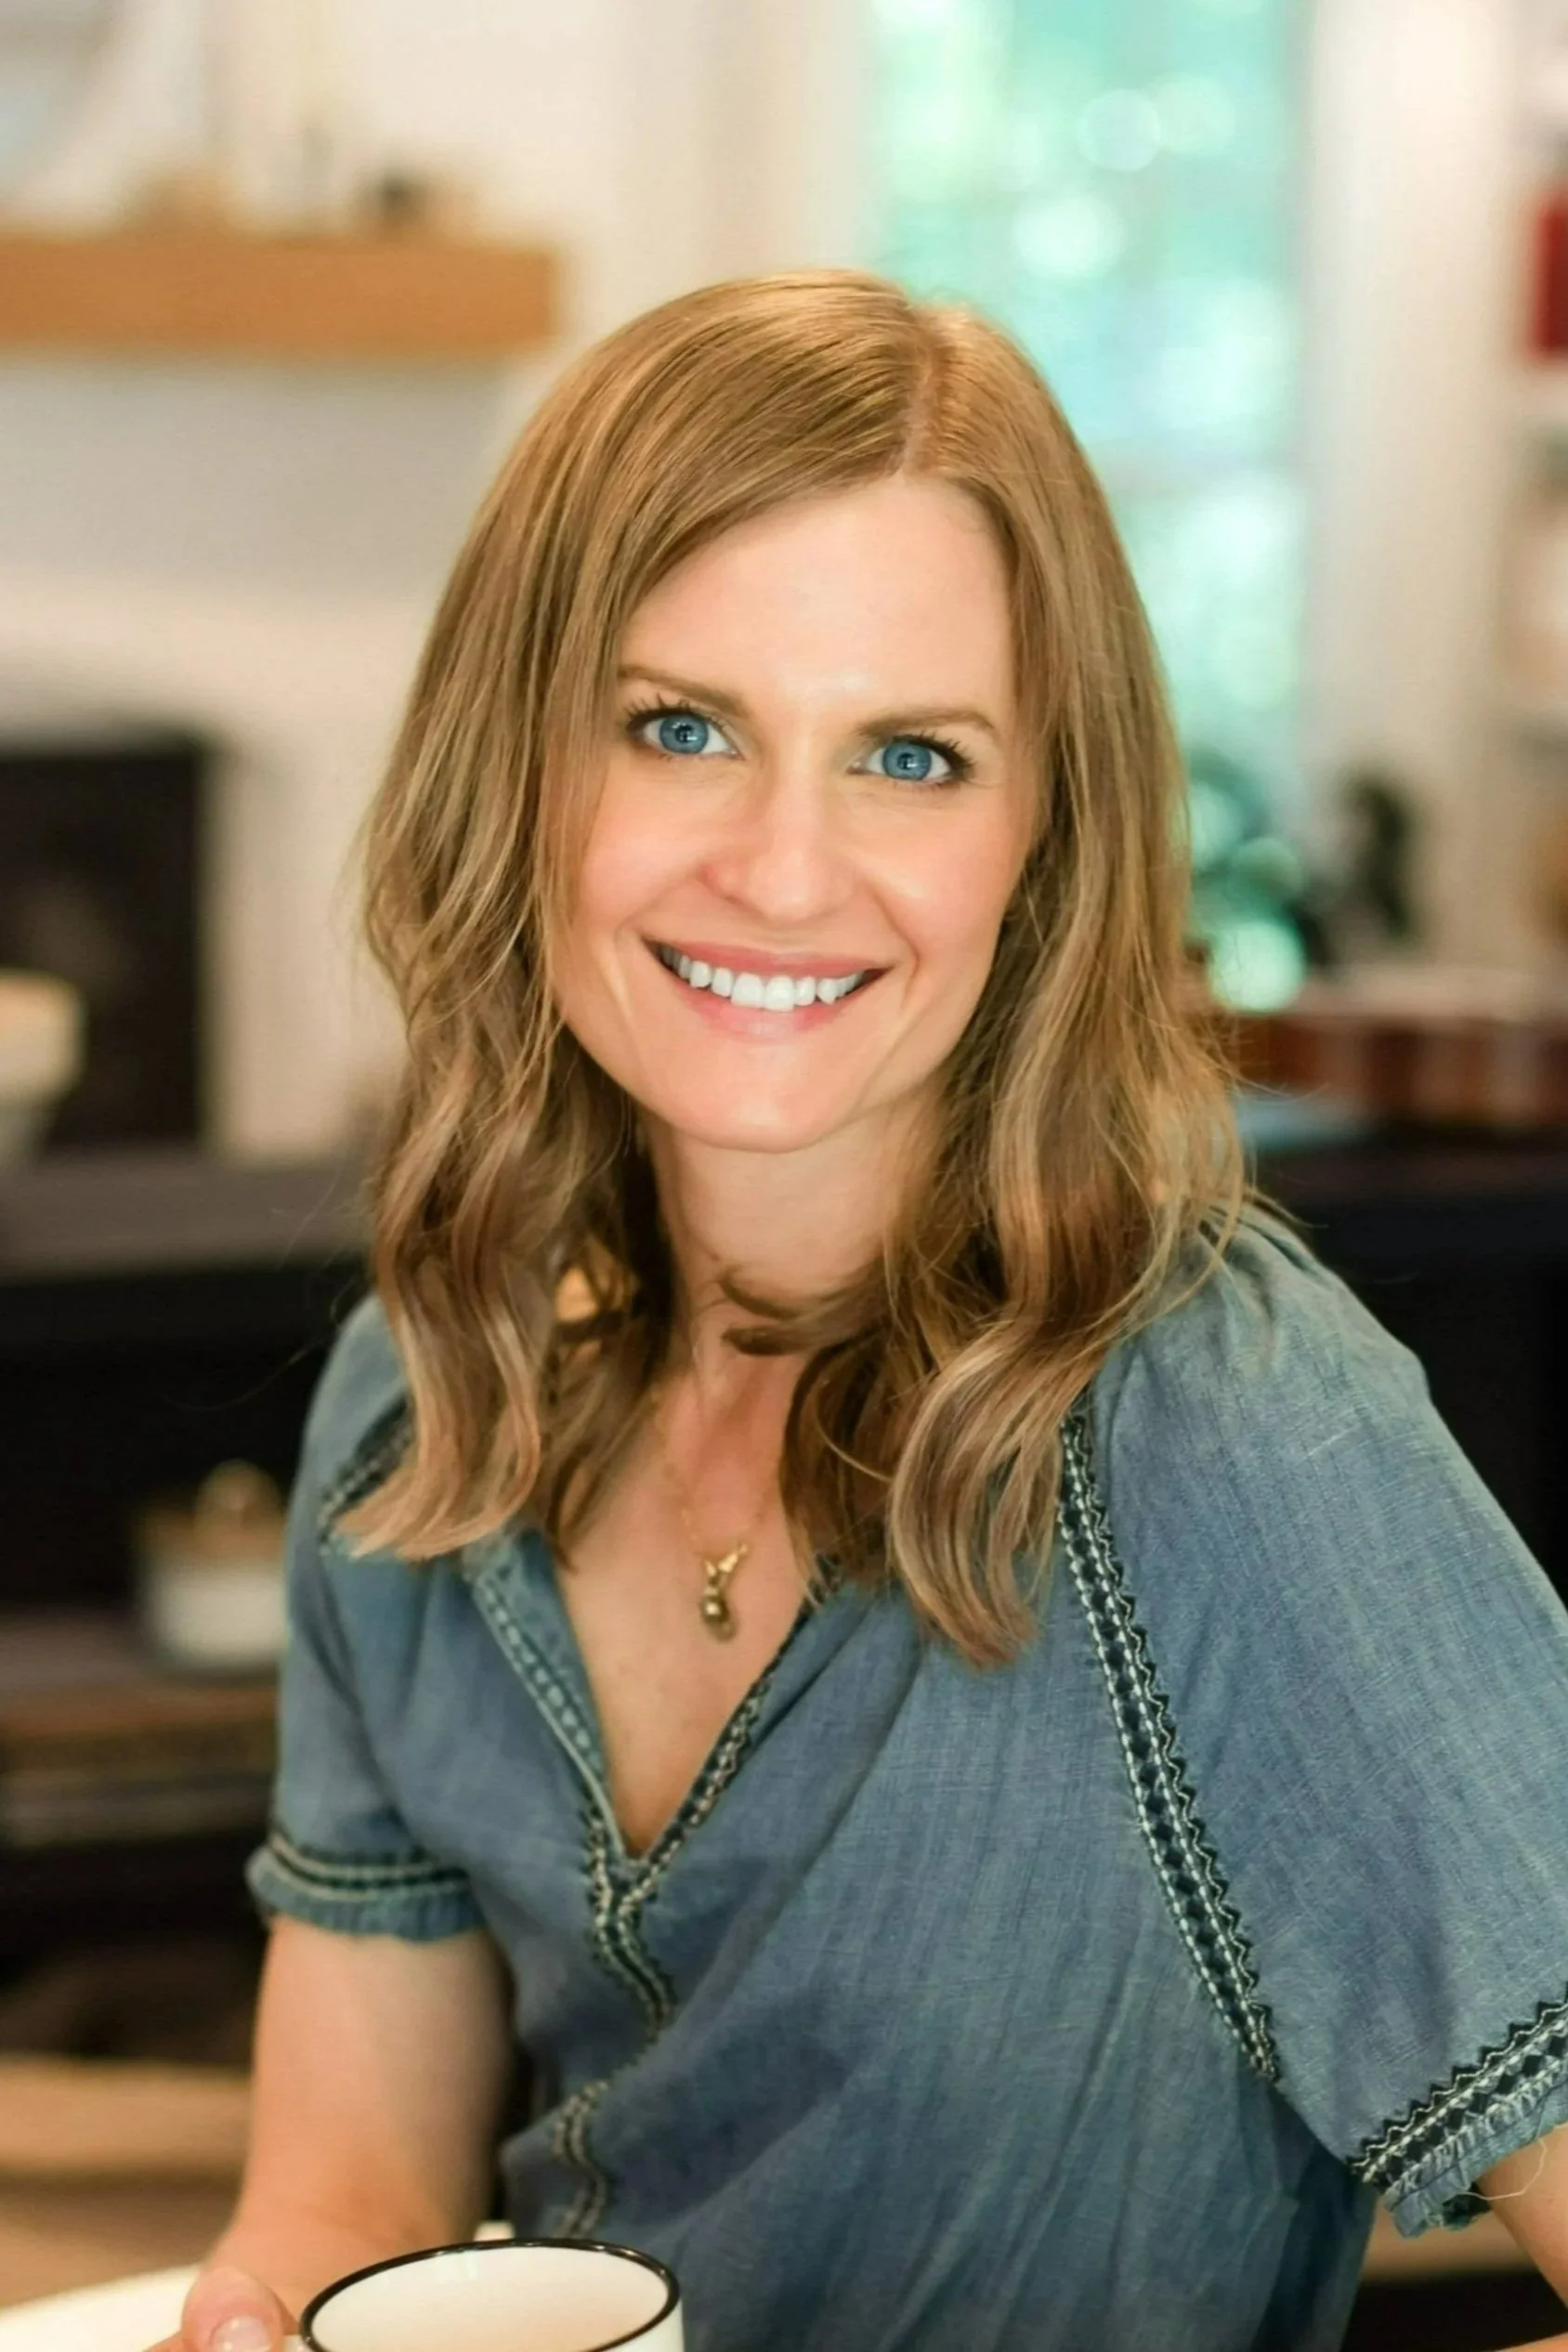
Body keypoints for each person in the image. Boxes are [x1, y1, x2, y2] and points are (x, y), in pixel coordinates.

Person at [153, 271, 1568, 2352]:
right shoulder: (422, 1405)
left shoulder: (1230, 1436)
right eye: (681, 728)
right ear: (512, 764)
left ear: (1041, 840)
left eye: (909, 755)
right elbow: (347, 2209)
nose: (785, 869)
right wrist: (256, 2318)